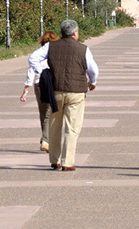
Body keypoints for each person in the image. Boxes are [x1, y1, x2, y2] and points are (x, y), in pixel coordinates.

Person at [28, 19, 98, 171]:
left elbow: (33, 58)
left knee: (54, 125)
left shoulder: (50, 46)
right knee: (72, 128)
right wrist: (93, 81)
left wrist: (41, 72)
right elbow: (93, 69)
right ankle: (67, 162)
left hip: (56, 91)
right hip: (76, 92)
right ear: (75, 33)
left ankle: (55, 160)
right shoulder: (83, 49)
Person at [21, 31, 60, 152]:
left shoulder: (38, 54)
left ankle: (45, 140)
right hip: (51, 84)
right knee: (50, 112)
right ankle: (46, 140)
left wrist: (26, 90)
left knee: (43, 113)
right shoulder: (55, 54)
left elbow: (31, 72)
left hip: (38, 85)